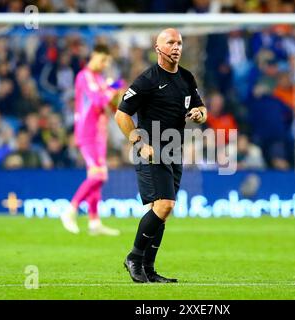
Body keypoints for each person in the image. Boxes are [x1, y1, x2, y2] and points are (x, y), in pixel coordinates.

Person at [115, 28, 207, 283]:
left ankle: (149, 269)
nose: (176, 47)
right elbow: (121, 114)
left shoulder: (187, 78)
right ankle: (134, 257)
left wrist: (200, 114)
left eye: (179, 43)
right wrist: (139, 143)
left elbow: (200, 108)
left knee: (161, 212)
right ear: (158, 48)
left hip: (174, 149)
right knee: (164, 206)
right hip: (152, 151)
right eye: (171, 42)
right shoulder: (147, 80)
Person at [60, 44, 121, 236]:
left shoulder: (100, 79)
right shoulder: (84, 76)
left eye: (107, 62)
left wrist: (117, 92)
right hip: (87, 133)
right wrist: (113, 91)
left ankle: (94, 222)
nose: (104, 65)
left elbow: (110, 107)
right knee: (99, 175)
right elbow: (97, 100)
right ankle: (70, 210)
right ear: (94, 56)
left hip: (99, 134)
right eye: (103, 60)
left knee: (96, 178)